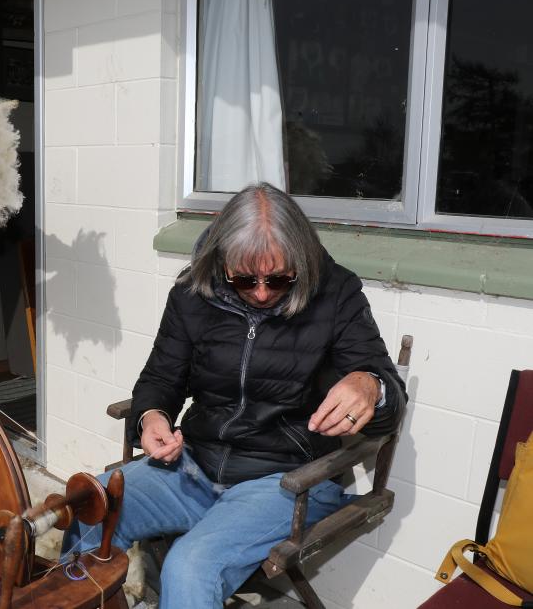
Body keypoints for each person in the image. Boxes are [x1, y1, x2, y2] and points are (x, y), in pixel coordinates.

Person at [63, 183, 407, 607]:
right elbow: (160, 379)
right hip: (193, 466)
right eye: (245, 279)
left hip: (284, 482)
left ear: (301, 259)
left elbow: (391, 401)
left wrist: (370, 385)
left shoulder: (336, 295)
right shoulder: (193, 294)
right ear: (221, 261)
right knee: (88, 508)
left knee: (190, 568)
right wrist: (151, 417)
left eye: (280, 279)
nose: (262, 292)